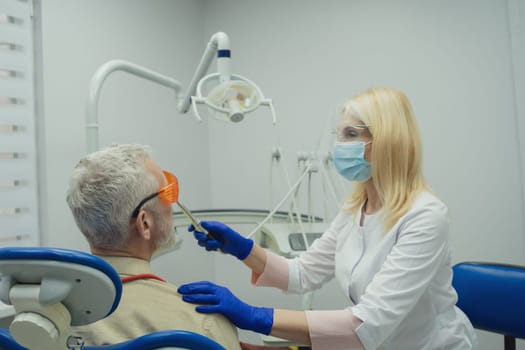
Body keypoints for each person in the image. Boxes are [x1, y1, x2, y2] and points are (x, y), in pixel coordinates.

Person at [177, 87, 479, 350]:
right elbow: (302, 274)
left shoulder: (425, 217)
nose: (338, 146)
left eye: (351, 134)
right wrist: (242, 249)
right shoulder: (355, 209)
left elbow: (365, 323)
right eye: (339, 135)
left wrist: (253, 316)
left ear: (387, 141)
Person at [66, 143, 241, 349]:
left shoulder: (41, 317)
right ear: (144, 223)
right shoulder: (202, 322)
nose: (172, 204)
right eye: (167, 193)